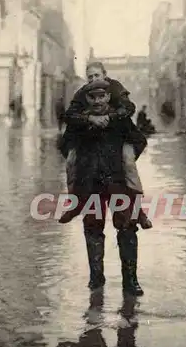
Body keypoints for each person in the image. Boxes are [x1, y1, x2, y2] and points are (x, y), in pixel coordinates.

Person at [59, 79, 147, 296]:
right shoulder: (78, 121)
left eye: (102, 96)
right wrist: (80, 160)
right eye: (92, 97)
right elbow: (64, 145)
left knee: (127, 228)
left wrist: (126, 157)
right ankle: (96, 279)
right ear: (86, 99)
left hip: (117, 183)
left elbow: (139, 140)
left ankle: (131, 282)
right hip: (90, 184)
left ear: (109, 97)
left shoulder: (120, 119)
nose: (97, 101)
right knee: (93, 228)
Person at [59, 61, 152, 230]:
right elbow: (70, 114)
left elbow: (129, 107)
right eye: (90, 77)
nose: (94, 80)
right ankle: (74, 203)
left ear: (104, 75)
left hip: (122, 136)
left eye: (97, 75)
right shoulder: (82, 93)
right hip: (90, 143)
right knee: (71, 161)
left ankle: (139, 210)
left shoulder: (115, 87)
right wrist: (89, 118)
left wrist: (111, 117)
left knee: (128, 163)